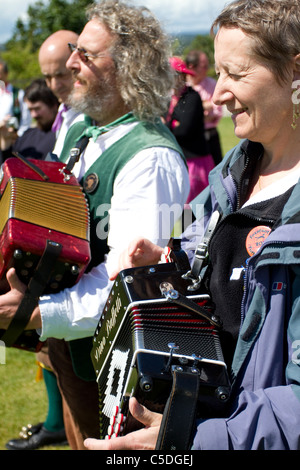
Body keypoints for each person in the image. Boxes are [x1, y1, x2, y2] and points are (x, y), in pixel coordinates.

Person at [84, 0, 300, 451]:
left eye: (236, 74)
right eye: (218, 72)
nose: (218, 93)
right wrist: (164, 256)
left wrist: (194, 441)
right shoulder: (232, 171)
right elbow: (189, 237)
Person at [0, 0, 189, 450]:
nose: (69, 63)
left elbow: (131, 287)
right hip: (65, 343)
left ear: (129, 67)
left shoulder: (152, 158)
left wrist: (35, 314)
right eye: (74, 50)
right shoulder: (81, 127)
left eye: (85, 54)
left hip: (113, 365)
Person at [165, 57, 215, 203]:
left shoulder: (192, 97)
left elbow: (184, 130)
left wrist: (169, 124)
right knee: (179, 209)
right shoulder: (170, 99)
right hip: (180, 160)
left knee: (193, 211)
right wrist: (173, 124)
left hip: (194, 162)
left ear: (180, 76)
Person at [38, 30, 85, 157]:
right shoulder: (65, 110)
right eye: (48, 77)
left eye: (61, 75)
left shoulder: (97, 117)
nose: (54, 85)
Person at [0, 78, 59, 163]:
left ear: (53, 104)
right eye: (30, 110)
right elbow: (10, 169)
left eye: (37, 108)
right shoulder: (26, 136)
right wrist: (5, 143)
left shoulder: (62, 135)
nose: (33, 115)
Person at [185, 50, 223, 166]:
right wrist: (205, 107)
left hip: (210, 137)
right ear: (192, 67)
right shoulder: (182, 87)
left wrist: (194, 112)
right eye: (204, 66)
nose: (208, 69)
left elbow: (216, 112)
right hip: (189, 142)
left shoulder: (212, 84)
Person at [0, 60, 32, 137]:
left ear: (6, 74)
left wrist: (18, 135)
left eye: (0, 74)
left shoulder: (18, 94)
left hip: (13, 139)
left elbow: (26, 119)